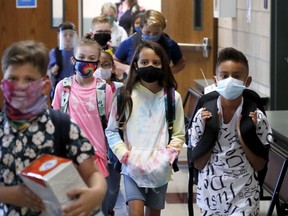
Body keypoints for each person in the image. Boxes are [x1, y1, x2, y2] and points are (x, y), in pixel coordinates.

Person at [0, 40, 107, 216]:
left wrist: (96, 193)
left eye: (29, 79)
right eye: (13, 79)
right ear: (3, 84)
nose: (20, 86)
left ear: (45, 85)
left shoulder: (61, 125)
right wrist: (8, 194)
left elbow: (92, 174)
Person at [189, 47, 273, 215]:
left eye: (236, 76)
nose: (229, 80)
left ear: (247, 81)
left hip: (245, 195)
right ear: (215, 80)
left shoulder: (256, 118)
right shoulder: (203, 116)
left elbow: (260, 164)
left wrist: (244, 135)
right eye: (224, 75)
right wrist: (210, 132)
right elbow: (197, 163)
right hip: (210, 195)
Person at [105, 40, 185, 216]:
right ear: (135, 64)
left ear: (163, 65)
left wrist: (167, 158)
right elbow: (111, 131)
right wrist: (125, 156)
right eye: (144, 62)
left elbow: (179, 134)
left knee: (154, 213)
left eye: (156, 63)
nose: (150, 66)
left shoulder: (173, 98)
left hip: (160, 168)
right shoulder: (124, 95)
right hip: (132, 166)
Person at [51, 38, 113, 213]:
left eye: (91, 59)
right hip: (68, 157)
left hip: (97, 157)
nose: (86, 62)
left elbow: (110, 124)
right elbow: (55, 122)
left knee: (96, 206)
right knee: (70, 205)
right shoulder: (63, 87)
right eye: (82, 57)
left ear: (98, 63)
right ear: (73, 60)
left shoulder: (104, 90)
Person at [94, 50, 124, 216]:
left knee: (113, 188)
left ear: (112, 68)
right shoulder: (87, 90)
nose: (101, 68)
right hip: (95, 145)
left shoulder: (120, 90)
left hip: (114, 145)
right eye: (97, 64)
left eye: (105, 64)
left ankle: (109, 209)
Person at [113, 9, 185, 75]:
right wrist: (126, 68)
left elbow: (181, 62)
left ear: (162, 30)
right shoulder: (129, 42)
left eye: (156, 33)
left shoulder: (170, 44)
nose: (151, 35)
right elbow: (114, 61)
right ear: (141, 28)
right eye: (147, 32)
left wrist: (168, 73)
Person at [48, 21, 78, 101]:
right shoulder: (55, 52)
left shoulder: (77, 52)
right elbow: (51, 73)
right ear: (59, 36)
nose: (68, 37)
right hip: (59, 89)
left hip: (75, 88)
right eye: (65, 35)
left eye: (71, 35)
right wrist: (54, 69)